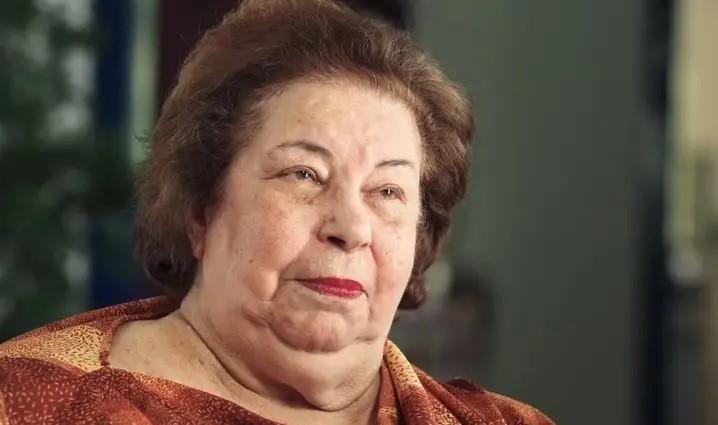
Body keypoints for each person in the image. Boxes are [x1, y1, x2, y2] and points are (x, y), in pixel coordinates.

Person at [0, 1, 554, 423]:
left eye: (388, 191)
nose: (351, 228)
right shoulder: (29, 402)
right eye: (304, 175)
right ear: (199, 206)